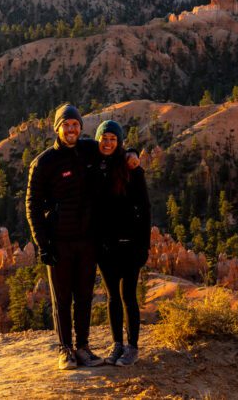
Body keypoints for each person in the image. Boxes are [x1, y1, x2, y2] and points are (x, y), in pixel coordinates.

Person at [26, 103, 139, 370]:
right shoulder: (43, 163)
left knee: (85, 296)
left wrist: (132, 154)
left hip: (87, 240)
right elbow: (31, 205)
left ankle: (83, 347)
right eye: (66, 124)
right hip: (59, 241)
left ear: (80, 127)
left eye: (75, 124)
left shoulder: (88, 149)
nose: (71, 129)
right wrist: (43, 244)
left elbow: (113, 149)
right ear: (57, 128)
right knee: (62, 299)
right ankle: (65, 350)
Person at [93, 120, 151, 366]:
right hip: (106, 245)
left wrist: (144, 245)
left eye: (112, 139)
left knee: (129, 295)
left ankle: (133, 347)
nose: (107, 143)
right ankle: (117, 344)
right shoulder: (94, 166)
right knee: (112, 297)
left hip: (130, 244)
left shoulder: (132, 169)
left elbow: (145, 208)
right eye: (104, 138)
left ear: (119, 142)